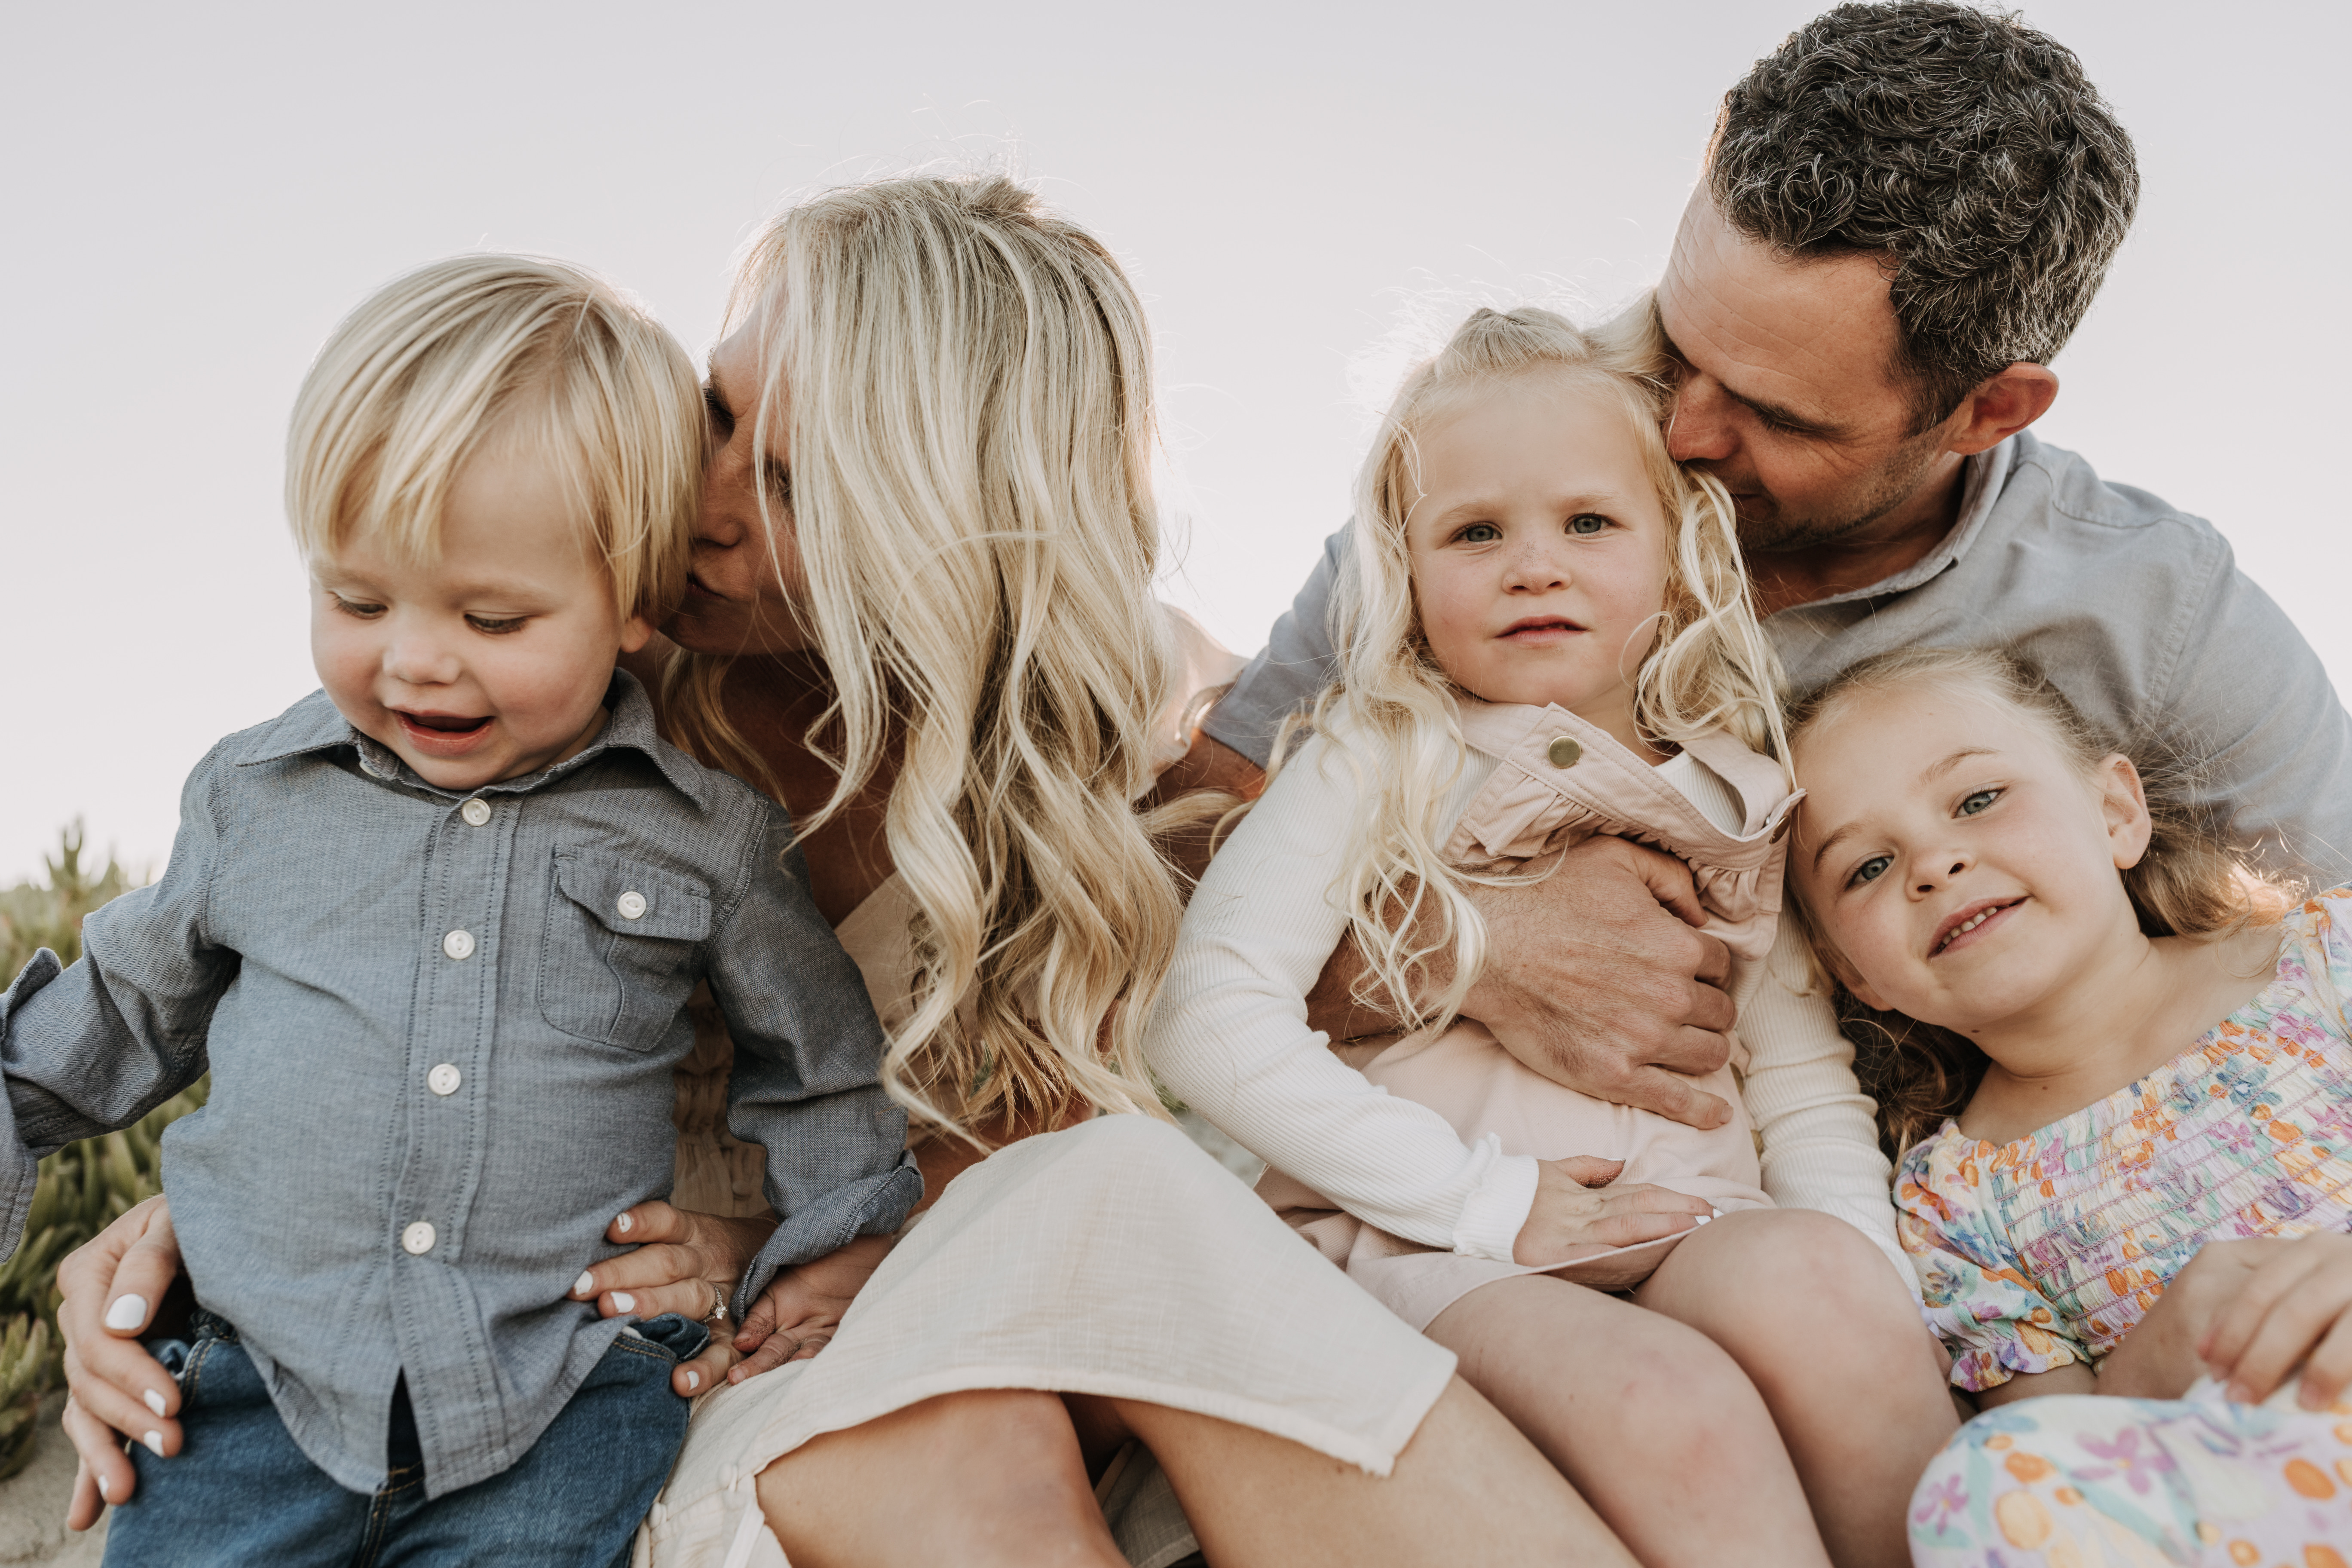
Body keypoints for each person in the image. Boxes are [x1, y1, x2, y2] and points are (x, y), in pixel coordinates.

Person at [54, 178, 1641, 1568]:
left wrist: (1469, 937)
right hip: (611, 1402)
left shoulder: (1094, 742)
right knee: (986, 1425)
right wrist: (176, 1241)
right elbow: (340, 992)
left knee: (1099, 1220)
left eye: (803, 483)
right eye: (725, 413)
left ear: (943, 533)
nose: (708, 499)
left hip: (953, 1335)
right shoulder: (535, 699)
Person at [1168, 0, 2352, 1139]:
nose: (1681, 430)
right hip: (1443, 1188)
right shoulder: (1513, 465)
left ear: (1989, 408)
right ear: (1713, 150)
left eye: (1780, 418)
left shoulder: (2156, 614)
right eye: (1681, 343)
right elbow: (1166, 876)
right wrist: (1461, 944)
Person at [0, 255, 923, 1565]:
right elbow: (99, 1030)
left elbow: (821, 1075)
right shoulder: (256, 800)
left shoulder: (704, 834)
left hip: (557, 1410)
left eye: (493, 617)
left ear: (638, 607)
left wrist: (822, 1262)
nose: (417, 655)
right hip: (246, 1402)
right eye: (358, 599)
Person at [1150, 303, 1951, 1567]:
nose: (1535, 565)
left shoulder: (1733, 787)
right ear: (1403, 572)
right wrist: (1488, 1201)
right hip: (1445, 1242)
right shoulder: (1378, 754)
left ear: (1678, 557)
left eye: (1587, 523)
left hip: (1691, 1213)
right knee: (1667, 1407)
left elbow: (1796, 1079)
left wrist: (1870, 1292)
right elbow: (1206, 1013)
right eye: (1477, 533)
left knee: (1836, 1296)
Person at [1781, 646, 2352, 1565]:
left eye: (1976, 800)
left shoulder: (2326, 963)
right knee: (1984, 1479)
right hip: (2268, 1517)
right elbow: (2052, 1482)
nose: (1934, 864)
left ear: (2116, 812)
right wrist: (2157, 1362)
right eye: (1868, 866)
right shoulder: (1957, 1206)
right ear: (1855, 976)